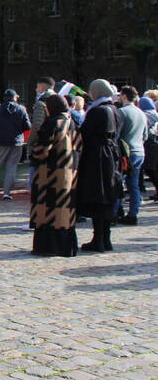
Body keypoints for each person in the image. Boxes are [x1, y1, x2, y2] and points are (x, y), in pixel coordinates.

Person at [30, 95, 81, 256]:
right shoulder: (72, 121)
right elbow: (79, 146)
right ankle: (66, 246)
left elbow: (41, 150)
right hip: (69, 170)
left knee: (49, 209)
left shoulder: (52, 123)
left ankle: (48, 247)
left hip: (50, 173)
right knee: (64, 210)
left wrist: (33, 152)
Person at [78, 79, 123, 252]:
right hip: (111, 154)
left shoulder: (97, 110)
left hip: (97, 157)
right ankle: (106, 238)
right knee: (108, 196)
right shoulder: (113, 109)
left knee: (98, 196)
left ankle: (99, 239)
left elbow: (85, 132)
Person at [115, 86, 147, 225]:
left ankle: (116, 213)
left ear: (123, 96)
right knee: (134, 185)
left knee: (118, 183)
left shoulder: (122, 112)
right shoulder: (141, 113)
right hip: (139, 151)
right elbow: (145, 135)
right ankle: (133, 214)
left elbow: (117, 134)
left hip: (125, 153)